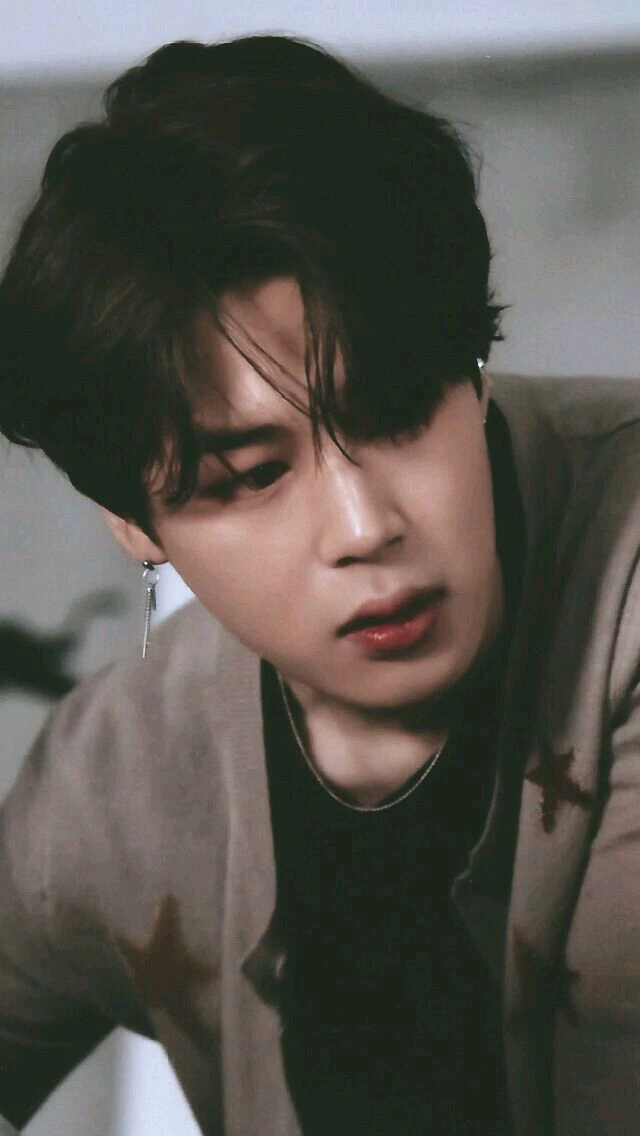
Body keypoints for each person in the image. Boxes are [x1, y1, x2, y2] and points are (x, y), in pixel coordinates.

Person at [0, 34, 639, 1136]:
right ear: (135, 522)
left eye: (396, 412)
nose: (363, 526)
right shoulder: (124, 769)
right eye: (250, 477)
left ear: (473, 371)